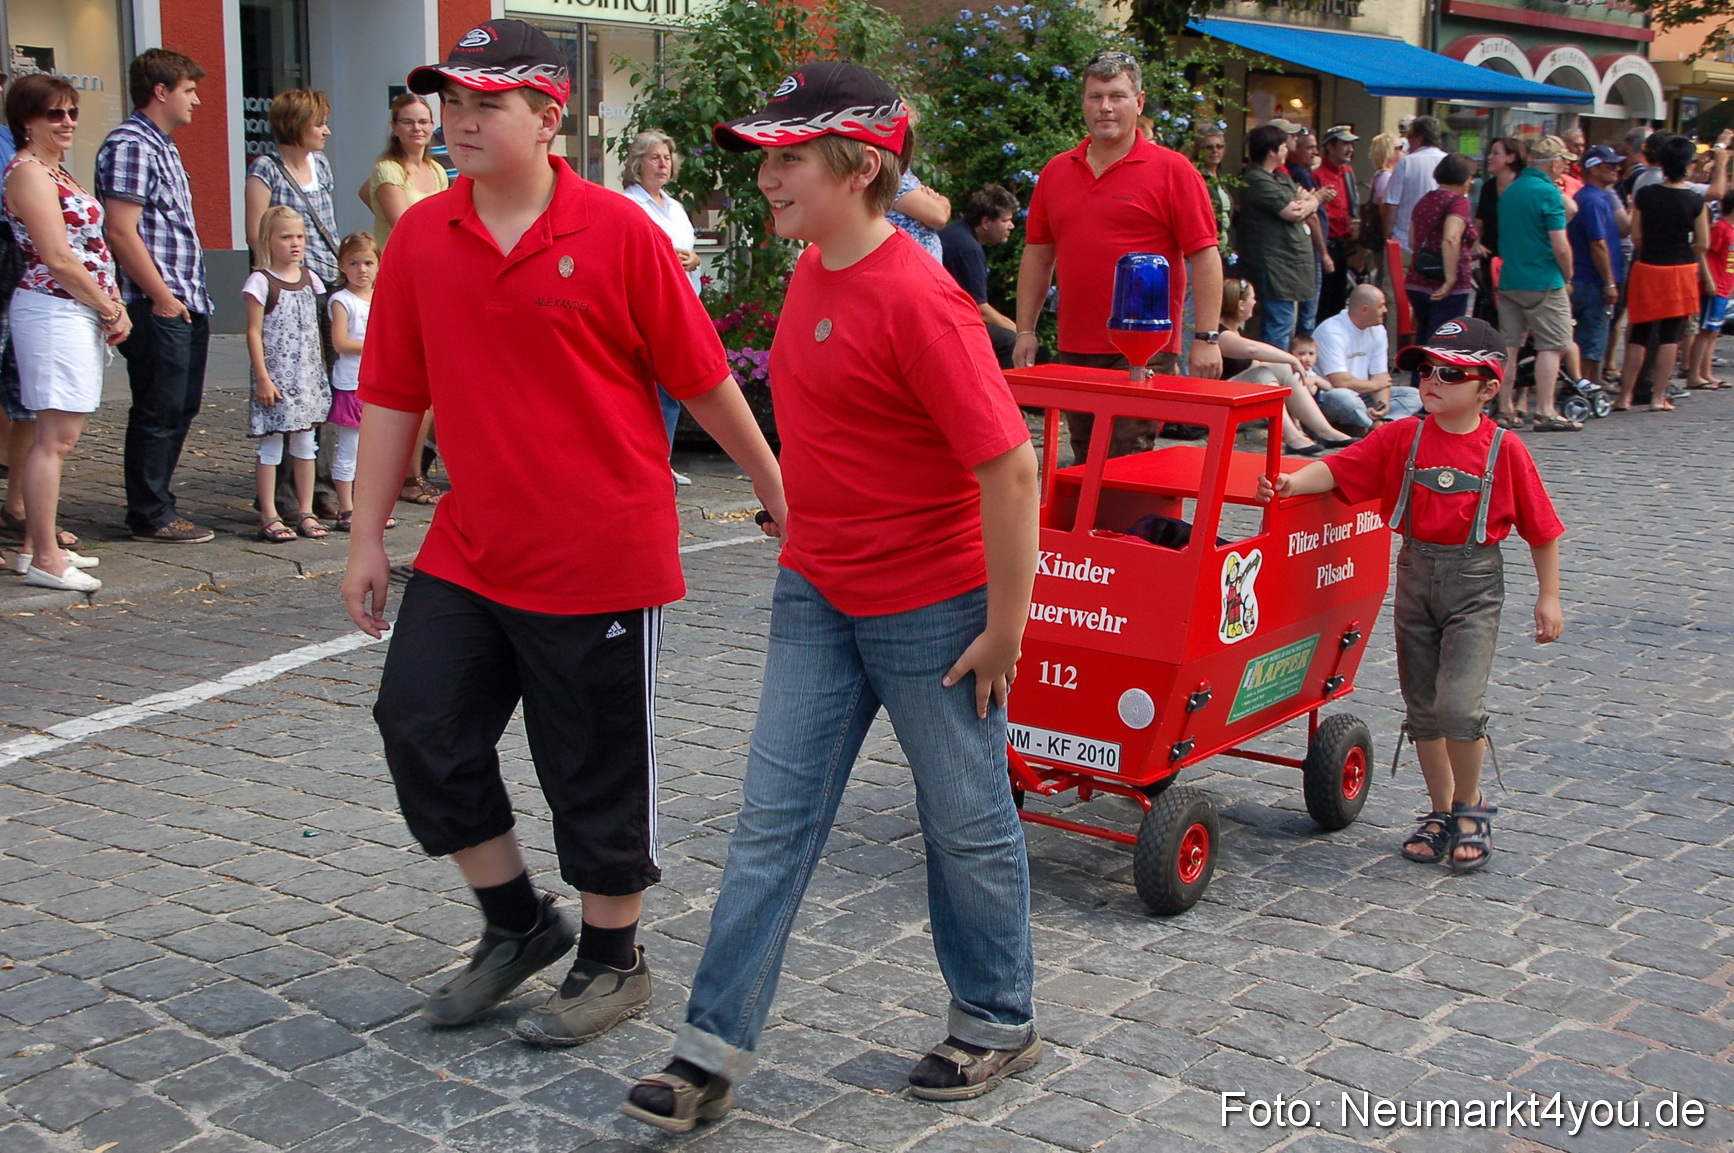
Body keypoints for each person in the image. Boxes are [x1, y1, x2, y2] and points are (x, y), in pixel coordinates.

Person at [342, 19, 784, 1053]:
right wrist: (364, 538)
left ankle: (612, 957)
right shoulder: (420, 238)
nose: (461, 121)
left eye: (486, 103)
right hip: (470, 547)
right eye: (452, 103)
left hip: (600, 551)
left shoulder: (619, 233)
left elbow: (700, 376)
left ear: (548, 118)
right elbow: (395, 396)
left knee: (592, 762)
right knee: (419, 724)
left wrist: (778, 482)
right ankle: (516, 924)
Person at [623, 61, 1040, 1134]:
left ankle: (995, 1017)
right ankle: (708, 1050)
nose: (767, 179)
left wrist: (1004, 625)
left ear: (857, 168)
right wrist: (800, 508)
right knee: (773, 819)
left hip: (936, 611)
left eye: (788, 158)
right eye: (767, 158)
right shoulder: (815, 269)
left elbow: (1011, 468)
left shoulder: (924, 299)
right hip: (818, 590)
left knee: (964, 818)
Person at [1257, 317, 1563, 871]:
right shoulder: (1403, 436)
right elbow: (1341, 470)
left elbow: (1541, 529)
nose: (1432, 381)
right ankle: (1441, 810)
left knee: (1458, 707)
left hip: (1474, 584)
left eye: (1451, 373)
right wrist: (1290, 482)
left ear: (1488, 388)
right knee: (1423, 708)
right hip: (1415, 577)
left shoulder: (1505, 450)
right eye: (1425, 369)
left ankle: (1472, 808)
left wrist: (1549, 597)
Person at [1015, 49, 1223, 460]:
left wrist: (1207, 338)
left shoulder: (1173, 170)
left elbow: (1205, 255)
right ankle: (1090, 527)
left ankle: (1127, 527)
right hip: (1076, 344)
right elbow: (1038, 256)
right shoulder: (1057, 171)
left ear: (1139, 102)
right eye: (1095, 97)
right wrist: (1025, 330)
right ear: (1083, 103)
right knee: (1083, 457)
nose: (1105, 107)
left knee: (1127, 456)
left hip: (1145, 348)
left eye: (1117, 96)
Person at [3, 72, 128, 592]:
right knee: (55, 439)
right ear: (27, 121)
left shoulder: (55, 171)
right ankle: (46, 557)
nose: (68, 122)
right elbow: (56, 256)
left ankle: (38, 543)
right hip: (54, 310)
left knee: (56, 436)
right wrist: (108, 306)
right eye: (55, 113)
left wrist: (108, 301)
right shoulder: (29, 173)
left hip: (73, 310)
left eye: (72, 111)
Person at [96, 48, 216, 546]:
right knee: (158, 409)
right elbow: (121, 231)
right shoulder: (131, 145)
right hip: (158, 302)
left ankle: (158, 502)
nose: (198, 99)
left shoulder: (161, 145)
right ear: (161, 91)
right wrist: (162, 298)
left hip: (185, 299)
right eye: (189, 89)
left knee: (179, 408)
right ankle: (149, 512)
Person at [244, 206, 330, 543]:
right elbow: (253, 332)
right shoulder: (260, 282)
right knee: (271, 446)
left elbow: (318, 326)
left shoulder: (312, 280)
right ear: (269, 240)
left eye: (299, 236)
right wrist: (263, 377)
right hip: (278, 378)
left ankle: (305, 508)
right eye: (285, 237)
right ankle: (269, 512)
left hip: (307, 378)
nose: (295, 244)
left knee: (306, 444)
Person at [622, 128, 701, 481]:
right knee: (653, 390)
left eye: (667, 158)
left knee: (672, 387)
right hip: (650, 307)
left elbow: (688, 249)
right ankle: (648, 463)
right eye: (655, 157)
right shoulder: (628, 205)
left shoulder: (676, 207)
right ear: (638, 165)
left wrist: (694, 259)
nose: (663, 164)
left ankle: (662, 460)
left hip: (684, 305)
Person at [1616, 135, 1709, 413]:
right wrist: (1683, 250)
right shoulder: (1694, 200)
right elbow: (1702, 243)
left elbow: (1637, 236)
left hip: (1648, 266)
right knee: (1671, 335)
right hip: (1679, 268)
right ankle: (1658, 395)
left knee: (1639, 334)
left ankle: (1625, 395)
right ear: (1687, 166)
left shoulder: (1646, 195)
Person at [1217, 277, 1354, 456]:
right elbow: (1253, 350)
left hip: (1238, 408)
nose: (1255, 302)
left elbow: (1260, 363)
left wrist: (1292, 370)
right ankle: (1292, 437)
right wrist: (1292, 359)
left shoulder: (1236, 332)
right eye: (1253, 298)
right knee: (1263, 375)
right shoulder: (1220, 335)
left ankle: (1324, 431)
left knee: (1280, 369)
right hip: (1220, 410)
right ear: (1241, 304)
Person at [1496, 134, 1577, 431]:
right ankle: (1545, 410)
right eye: (1563, 163)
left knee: (1509, 347)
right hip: (1542, 280)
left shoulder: (1512, 190)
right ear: (1554, 163)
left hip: (1510, 278)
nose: (1564, 168)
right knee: (1551, 346)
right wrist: (1566, 275)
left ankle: (1504, 408)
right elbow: (1560, 245)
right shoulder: (1548, 193)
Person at [327, 233, 391, 532]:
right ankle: (346, 507)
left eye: (368, 262)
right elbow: (340, 341)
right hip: (351, 384)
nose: (361, 270)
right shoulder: (342, 300)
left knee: (376, 450)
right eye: (353, 263)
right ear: (342, 266)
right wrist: (375, 345)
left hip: (379, 383)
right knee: (350, 449)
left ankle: (371, 507)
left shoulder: (383, 296)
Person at [1237, 122, 1319, 352]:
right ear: (1272, 150)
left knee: (1284, 323)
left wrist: (1310, 201)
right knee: (1278, 325)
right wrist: (1315, 201)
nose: (1287, 150)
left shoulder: (1280, 177)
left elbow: (1302, 199)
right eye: (1283, 146)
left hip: (1289, 267)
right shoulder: (1256, 179)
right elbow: (1294, 211)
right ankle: (1272, 376)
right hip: (1275, 267)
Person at [246, 89, 339, 289]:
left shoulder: (320, 163)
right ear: (298, 125)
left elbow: (328, 225)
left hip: (332, 274)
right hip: (296, 279)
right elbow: (255, 234)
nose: (326, 131)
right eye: (319, 124)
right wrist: (282, 278)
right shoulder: (267, 168)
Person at [1311, 283, 1421, 428]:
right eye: (1381, 306)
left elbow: (1380, 375)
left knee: (1415, 396)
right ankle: (1376, 426)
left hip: (1365, 396)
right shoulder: (1332, 331)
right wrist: (1374, 385)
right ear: (1365, 309)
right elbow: (1340, 382)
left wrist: (1382, 406)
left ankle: (1374, 423)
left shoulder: (1378, 330)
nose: (1386, 310)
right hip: (1332, 396)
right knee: (1344, 398)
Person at [1404, 152, 1477, 356]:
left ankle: (1417, 383)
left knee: (1424, 335)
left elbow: (1412, 239)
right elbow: (1451, 238)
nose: (1472, 182)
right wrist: (1450, 278)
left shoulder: (1425, 200)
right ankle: (1435, 385)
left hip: (1418, 278)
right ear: (1462, 177)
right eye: (1471, 177)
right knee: (1444, 340)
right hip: (1445, 283)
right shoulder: (1459, 202)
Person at [939, 185, 1020, 367]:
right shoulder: (968, 249)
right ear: (985, 222)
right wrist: (1020, 333)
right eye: (1005, 220)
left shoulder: (957, 234)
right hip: (945, 324)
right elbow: (980, 310)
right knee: (1010, 341)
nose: (1011, 226)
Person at [1567, 144, 1626, 388]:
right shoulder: (1592, 200)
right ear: (1593, 169)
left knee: (1591, 337)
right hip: (1591, 280)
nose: (1616, 170)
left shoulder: (1596, 198)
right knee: (1591, 339)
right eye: (1608, 166)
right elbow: (1597, 244)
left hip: (1587, 279)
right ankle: (1585, 384)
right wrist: (1609, 282)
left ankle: (1586, 381)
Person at [364, 93, 449, 250]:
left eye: (423, 122)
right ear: (395, 127)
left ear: (431, 125)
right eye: (407, 122)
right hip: (398, 263)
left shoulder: (437, 170)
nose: (416, 128)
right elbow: (403, 227)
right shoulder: (388, 169)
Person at [1471, 137, 1525, 327]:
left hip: (1517, 260)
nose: (1489, 158)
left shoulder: (1524, 186)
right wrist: (1475, 243)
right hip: (1490, 258)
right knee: (1490, 315)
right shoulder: (1488, 187)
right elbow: (1479, 223)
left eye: (1495, 153)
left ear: (1511, 157)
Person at [1285, 129, 1332, 339]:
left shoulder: (1304, 173)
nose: (1315, 152)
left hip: (1308, 252)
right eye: (1309, 147)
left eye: (1315, 147)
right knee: (1307, 314)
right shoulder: (1298, 173)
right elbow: (1309, 215)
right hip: (1309, 252)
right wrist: (1324, 253)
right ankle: (1304, 357)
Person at [1687, 189, 1734, 391]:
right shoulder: (1721, 228)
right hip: (1715, 285)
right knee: (1705, 331)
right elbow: (1704, 253)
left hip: (1724, 285)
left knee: (1713, 332)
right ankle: (1694, 374)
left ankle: (1706, 373)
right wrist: (1708, 279)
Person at [885, 118, 949, 262]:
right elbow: (939, 216)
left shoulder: (903, 173)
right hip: (904, 266)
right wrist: (940, 201)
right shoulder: (892, 177)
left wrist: (939, 201)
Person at [1315, 125, 1359, 320]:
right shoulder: (1318, 175)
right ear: (1330, 147)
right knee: (1325, 300)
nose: (1350, 149)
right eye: (1344, 144)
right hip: (1326, 244)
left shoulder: (1347, 172)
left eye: (1351, 144)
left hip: (1342, 243)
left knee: (1339, 299)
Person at [1384, 115, 1445, 255]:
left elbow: (1391, 203)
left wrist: (1387, 236)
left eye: (1409, 136)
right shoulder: (1448, 161)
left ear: (1419, 139)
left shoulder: (1406, 163)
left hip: (1404, 242)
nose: (1407, 142)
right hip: (1438, 244)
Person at [1364, 131, 1403, 297]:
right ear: (1389, 152)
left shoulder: (1382, 176)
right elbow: (1385, 209)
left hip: (1380, 238)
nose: (1403, 151)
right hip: (1383, 237)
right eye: (1399, 147)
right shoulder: (1386, 177)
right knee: (1385, 278)